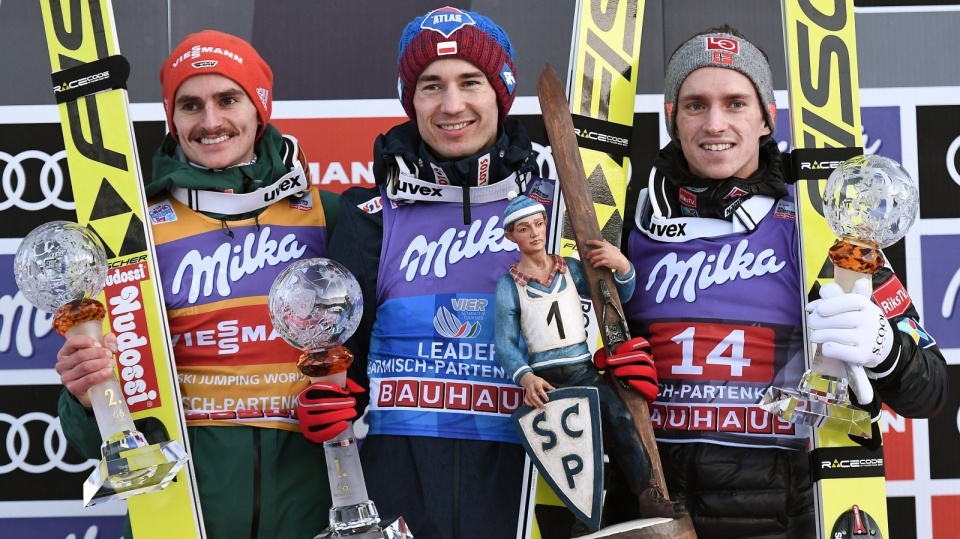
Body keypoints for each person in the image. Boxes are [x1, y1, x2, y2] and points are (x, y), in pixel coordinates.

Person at [615, 25, 949, 538]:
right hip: (653, 503)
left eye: (736, 103)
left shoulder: (820, 226)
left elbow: (932, 391)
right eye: (695, 105)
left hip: (779, 510)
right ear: (672, 119)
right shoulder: (628, 219)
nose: (715, 123)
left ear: (767, 118)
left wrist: (886, 351)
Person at [54, 30, 341, 539]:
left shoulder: (327, 214)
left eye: (228, 99)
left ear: (259, 107)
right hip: (179, 512)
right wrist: (85, 393)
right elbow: (93, 430)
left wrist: (349, 394)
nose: (210, 122)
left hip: (311, 508)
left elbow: (381, 350)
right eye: (190, 105)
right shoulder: (132, 231)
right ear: (173, 118)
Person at [301, 6, 555, 538]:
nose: (452, 104)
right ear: (410, 100)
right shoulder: (371, 217)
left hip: (528, 498)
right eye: (430, 86)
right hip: (399, 507)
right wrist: (328, 398)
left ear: (501, 94)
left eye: (471, 82)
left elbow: (590, 360)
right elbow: (339, 370)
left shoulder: (554, 214)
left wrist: (614, 373)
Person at [493, 194, 684, 536]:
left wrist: (622, 266)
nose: (535, 234)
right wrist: (525, 377)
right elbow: (505, 343)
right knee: (572, 448)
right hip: (548, 380)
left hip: (583, 368)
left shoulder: (570, 269)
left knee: (621, 419)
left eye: (538, 224)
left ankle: (647, 494)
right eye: (524, 228)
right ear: (511, 236)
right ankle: (587, 516)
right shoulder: (510, 286)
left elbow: (615, 297)